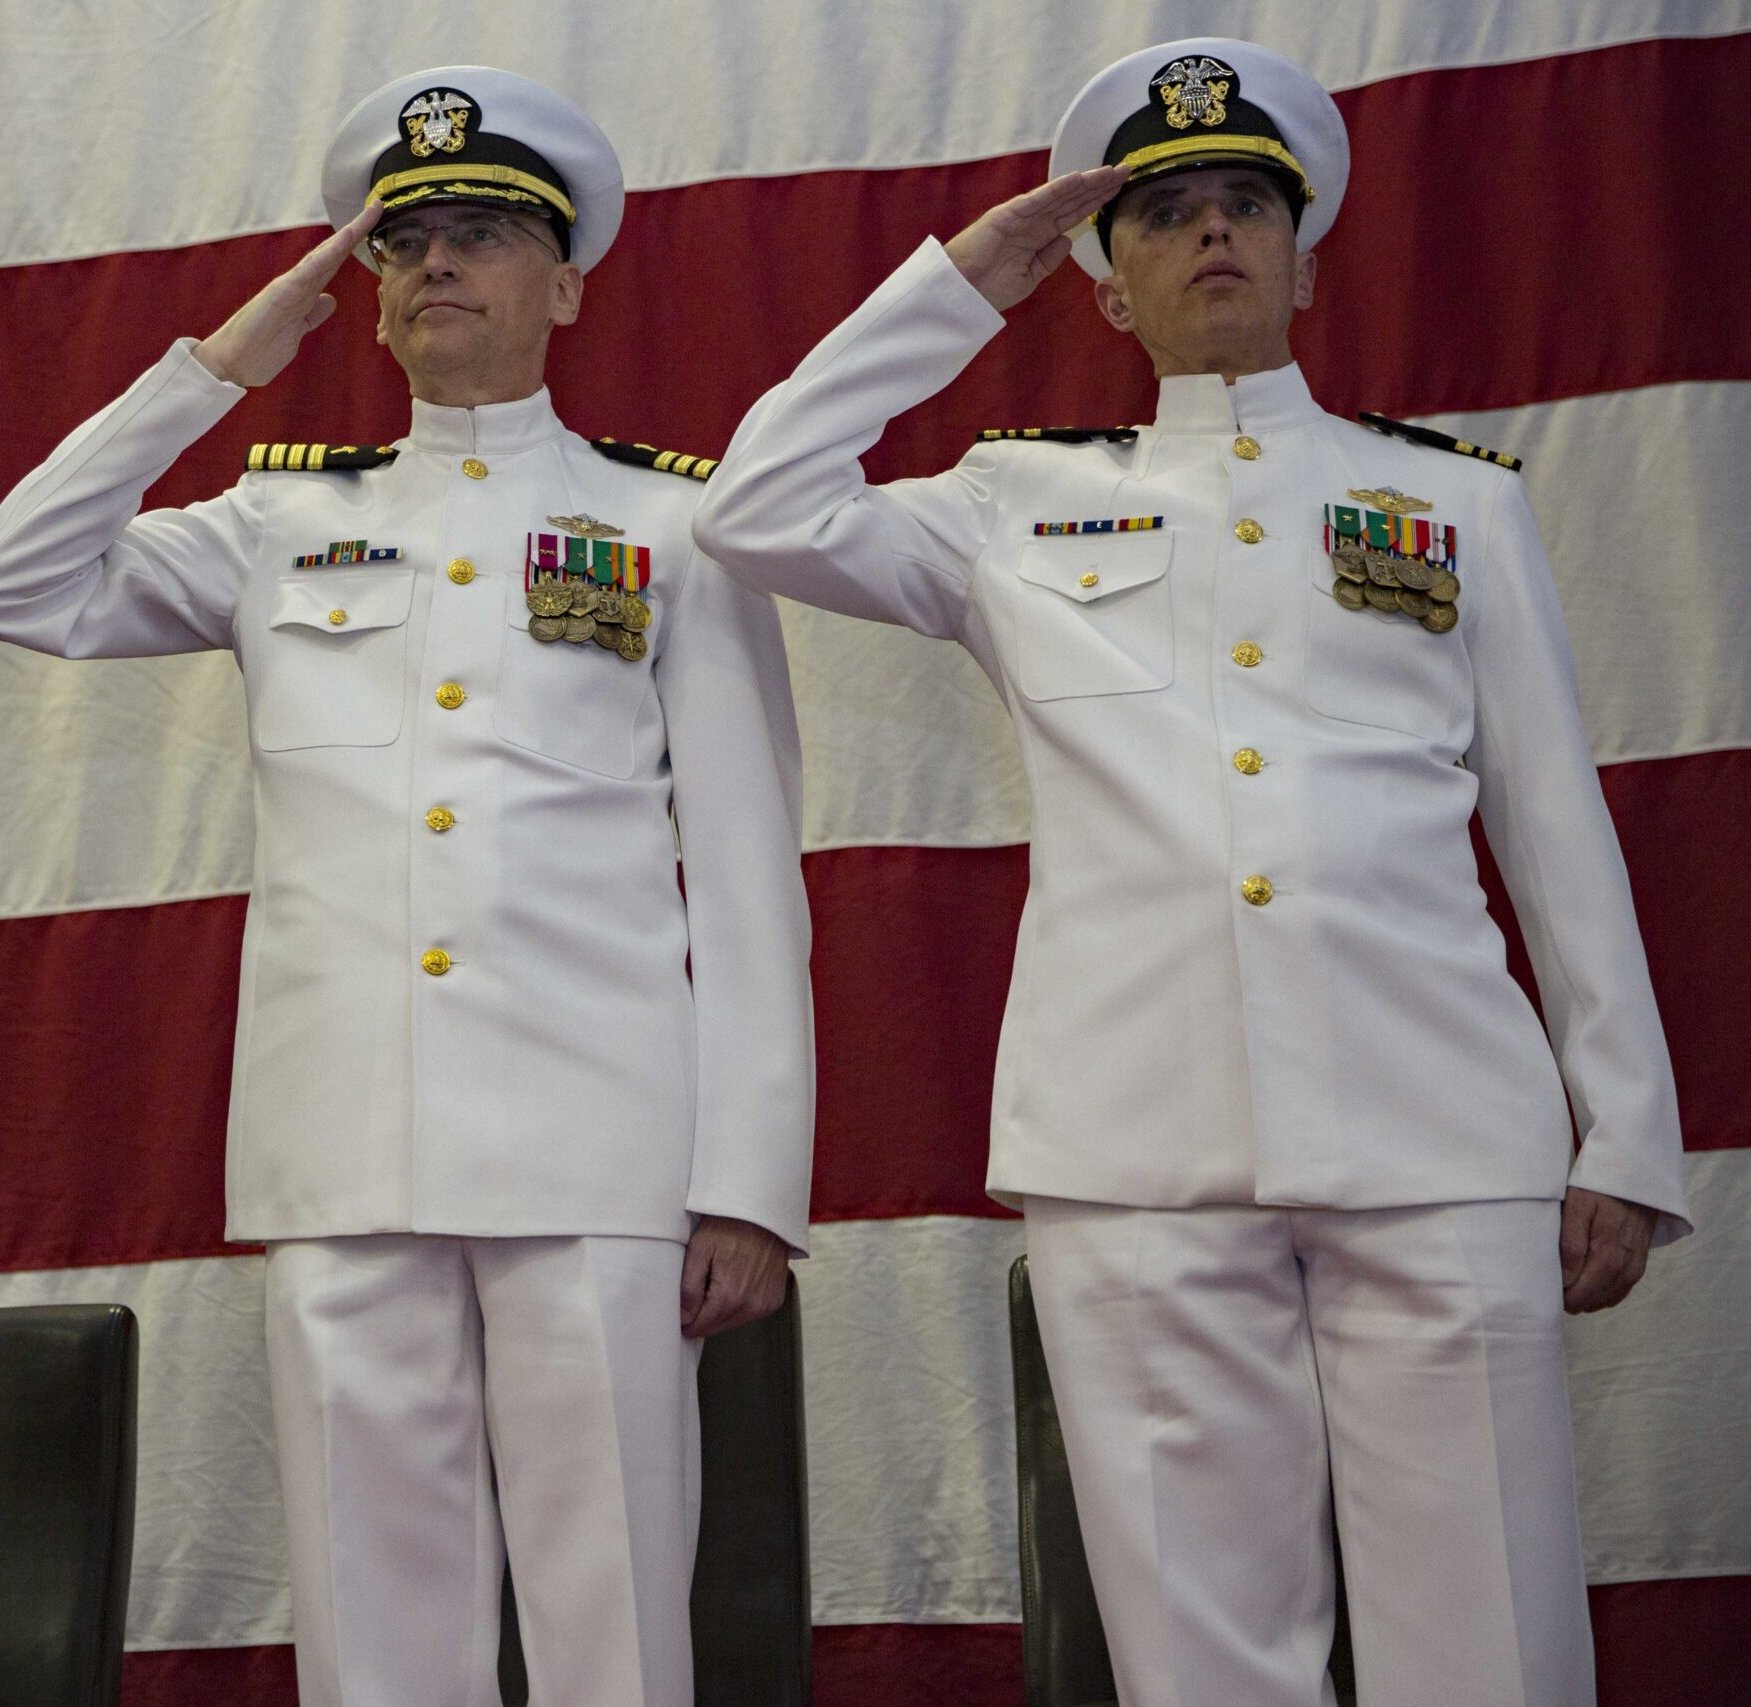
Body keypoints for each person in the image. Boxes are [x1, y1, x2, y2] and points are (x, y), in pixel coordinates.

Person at [692, 37, 1689, 1707]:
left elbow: (1553, 825)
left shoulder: (1448, 502)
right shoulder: (1013, 503)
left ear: (1305, 258)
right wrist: (965, 279)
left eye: (1246, 206)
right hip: (1136, 1143)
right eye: (1161, 216)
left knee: (1492, 1645)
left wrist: (1628, 1128)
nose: (1210, 235)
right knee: (1199, 1661)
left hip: (1438, 1124)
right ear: (1107, 285)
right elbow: (756, 508)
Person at [0, 65, 812, 1707]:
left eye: (484, 234)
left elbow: (754, 873)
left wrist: (750, 1179)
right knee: (372, 1633)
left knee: (615, 1622)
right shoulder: (282, 517)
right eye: (404, 239)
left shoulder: (671, 526)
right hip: (345, 1146)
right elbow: (10, 580)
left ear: (563, 283)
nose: (436, 265)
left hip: (599, 1151)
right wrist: (214, 368)